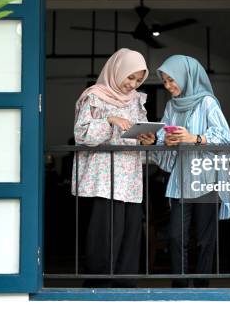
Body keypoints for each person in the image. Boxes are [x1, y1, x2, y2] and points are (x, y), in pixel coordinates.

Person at [140, 55, 230, 288]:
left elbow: (226, 139)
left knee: (204, 239)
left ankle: (202, 288)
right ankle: (179, 287)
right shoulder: (172, 105)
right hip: (181, 179)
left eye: (172, 81)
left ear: (186, 77)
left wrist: (194, 138)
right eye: (165, 82)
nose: (169, 87)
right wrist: (156, 141)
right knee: (175, 236)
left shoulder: (208, 103)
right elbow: (164, 139)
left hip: (206, 179)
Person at [72, 48, 154, 287]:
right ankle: (98, 286)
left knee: (130, 233)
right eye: (130, 77)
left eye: (138, 80)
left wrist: (147, 138)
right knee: (105, 233)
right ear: (117, 70)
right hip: (103, 177)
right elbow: (81, 134)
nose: (132, 84)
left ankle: (126, 285)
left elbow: (140, 128)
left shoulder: (137, 100)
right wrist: (109, 120)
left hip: (130, 177)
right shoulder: (94, 96)